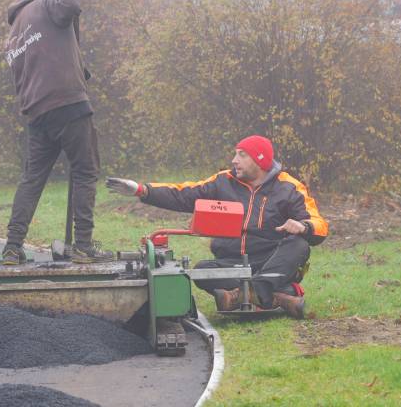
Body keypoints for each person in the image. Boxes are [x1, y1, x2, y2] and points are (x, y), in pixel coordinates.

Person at [106, 135, 328, 318]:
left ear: (260, 160)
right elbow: (183, 193)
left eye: (242, 155)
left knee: (299, 245)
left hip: (270, 262)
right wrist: (142, 190)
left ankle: (241, 296)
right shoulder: (222, 181)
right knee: (202, 269)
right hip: (231, 263)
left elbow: (320, 225)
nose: (234, 160)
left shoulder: (290, 187)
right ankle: (278, 296)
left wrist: (304, 226)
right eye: (235, 154)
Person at [1, 0, 111, 264]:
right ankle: (84, 246)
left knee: (32, 179)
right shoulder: (45, 5)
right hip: (68, 104)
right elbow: (71, 4)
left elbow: (54, 58)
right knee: (85, 172)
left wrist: (81, 71)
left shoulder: (12, 36)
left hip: (37, 115)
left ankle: (12, 246)